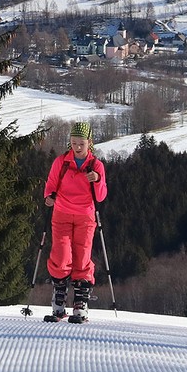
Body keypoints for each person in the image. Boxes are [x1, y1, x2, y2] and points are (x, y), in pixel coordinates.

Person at [42, 120, 107, 321]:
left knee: (82, 255)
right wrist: (48, 197)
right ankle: (59, 297)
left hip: (85, 216)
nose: (78, 147)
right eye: (74, 143)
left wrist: (97, 179)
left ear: (89, 143)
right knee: (61, 254)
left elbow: (101, 195)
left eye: (81, 143)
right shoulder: (61, 162)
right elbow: (51, 183)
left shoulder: (96, 165)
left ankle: (81, 301)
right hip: (61, 213)